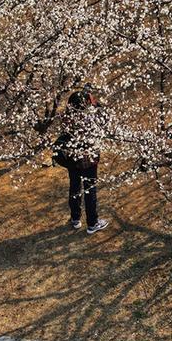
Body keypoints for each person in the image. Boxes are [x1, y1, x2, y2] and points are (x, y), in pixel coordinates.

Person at [63, 88, 108, 234]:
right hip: (89, 161)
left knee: (74, 187)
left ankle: (75, 219)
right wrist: (97, 106)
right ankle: (92, 223)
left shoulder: (66, 117)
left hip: (72, 159)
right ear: (85, 103)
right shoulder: (90, 118)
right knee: (90, 191)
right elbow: (105, 122)